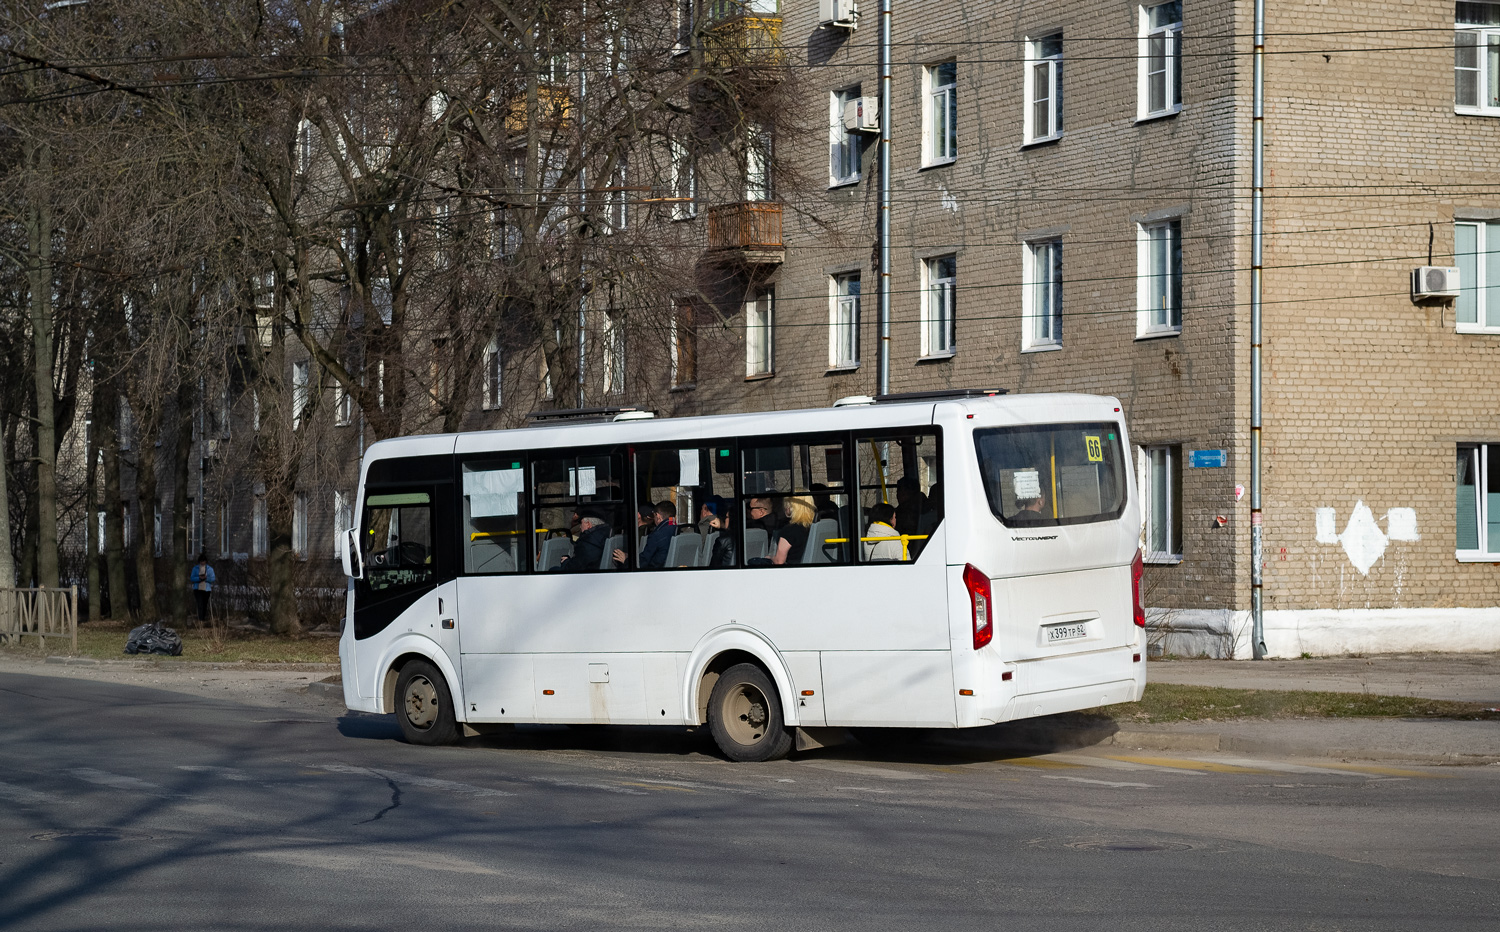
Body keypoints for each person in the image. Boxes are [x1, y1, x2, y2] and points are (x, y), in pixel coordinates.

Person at [558, 507, 615, 572]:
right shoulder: (607, 534)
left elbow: (574, 568)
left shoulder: (588, 542)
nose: (580, 526)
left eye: (581, 523)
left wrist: (566, 562)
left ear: (588, 524)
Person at [770, 494, 815, 565]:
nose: (785, 508)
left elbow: (779, 561)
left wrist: (769, 558)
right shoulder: (814, 526)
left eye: (786, 505)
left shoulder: (789, 531)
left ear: (792, 507)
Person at [637, 500, 677, 569]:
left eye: (654, 516)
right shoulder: (677, 530)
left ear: (658, 516)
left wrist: (626, 560)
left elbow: (643, 562)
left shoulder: (656, 535)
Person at [188, 553, 216, 622]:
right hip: (197, 589)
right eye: (201, 561)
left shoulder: (210, 569)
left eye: (203, 561)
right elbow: (192, 578)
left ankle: (203, 618)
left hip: (206, 589)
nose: (202, 563)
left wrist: (206, 578)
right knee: (200, 604)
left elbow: (212, 579)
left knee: (204, 604)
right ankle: (200, 619)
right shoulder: (195, 568)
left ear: (206, 561)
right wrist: (199, 578)